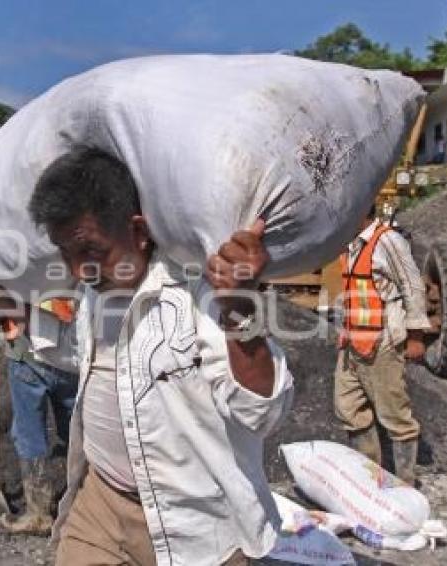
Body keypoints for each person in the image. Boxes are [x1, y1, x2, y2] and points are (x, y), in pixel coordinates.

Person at [26, 147, 294, 565]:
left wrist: (240, 308)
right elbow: (79, 362)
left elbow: (262, 413)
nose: (78, 271)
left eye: (90, 252)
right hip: (100, 503)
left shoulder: (199, 293)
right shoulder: (93, 293)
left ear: (138, 231)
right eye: (66, 255)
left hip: (196, 523)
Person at [334, 204, 430, 484]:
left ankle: (405, 484)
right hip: (354, 341)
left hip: (384, 340)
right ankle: (370, 481)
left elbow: (412, 286)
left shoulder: (388, 240)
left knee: (394, 414)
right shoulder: (350, 244)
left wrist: (416, 337)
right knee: (348, 408)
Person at [0, 294, 79, 536]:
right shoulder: (67, 256)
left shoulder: (11, 259)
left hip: (27, 352)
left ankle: (39, 513)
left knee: (29, 432)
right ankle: (87, 501)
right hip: (71, 350)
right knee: (77, 426)